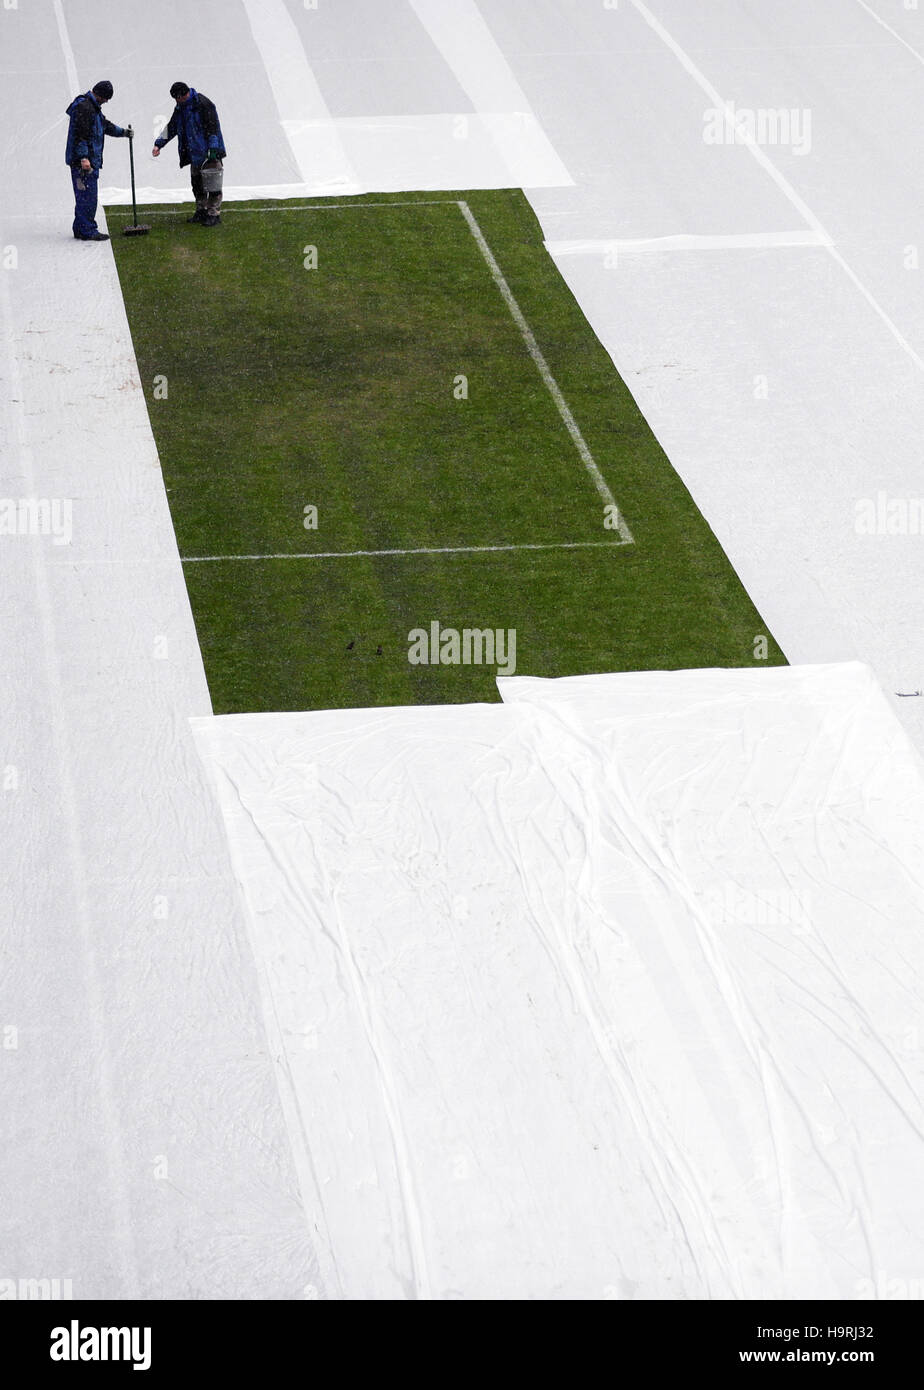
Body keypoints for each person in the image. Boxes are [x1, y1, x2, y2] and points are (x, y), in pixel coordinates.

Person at [65, 80, 132, 241]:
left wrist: (123, 132)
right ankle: (88, 230)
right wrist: (84, 158)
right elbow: (81, 136)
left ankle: (80, 228)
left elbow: (105, 126)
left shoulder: (92, 108)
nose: (107, 101)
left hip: (84, 160)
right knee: (88, 197)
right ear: (100, 95)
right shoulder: (85, 108)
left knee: (84, 197)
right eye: (106, 98)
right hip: (82, 163)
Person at [152, 83, 226, 227]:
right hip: (194, 153)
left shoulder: (204, 104)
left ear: (182, 95)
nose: (176, 101)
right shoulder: (180, 108)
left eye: (177, 98)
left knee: (213, 185)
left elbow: (213, 127)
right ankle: (201, 210)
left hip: (209, 152)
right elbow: (172, 126)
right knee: (197, 184)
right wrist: (159, 143)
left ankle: (213, 214)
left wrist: (213, 149)